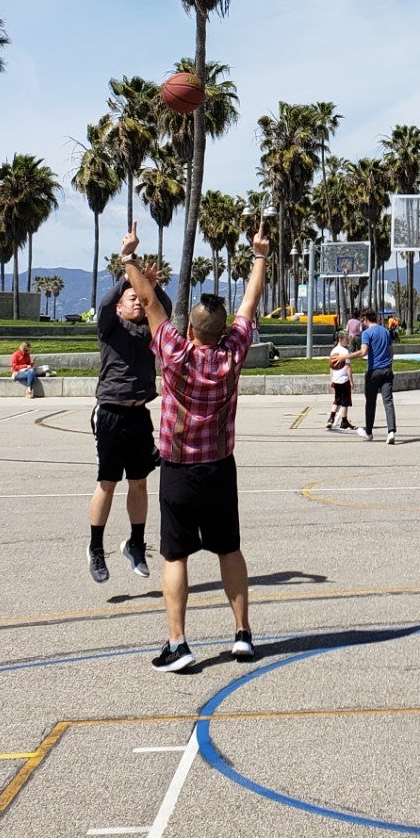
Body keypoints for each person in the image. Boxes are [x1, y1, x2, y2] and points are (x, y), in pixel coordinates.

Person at [121, 219, 267, 673]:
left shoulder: (175, 353)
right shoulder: (232, 354)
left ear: (191, 329)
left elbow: (146, 301)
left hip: (180, 469)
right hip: (220, 467)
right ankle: (242, 634)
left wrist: (129, 258)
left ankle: (179, 643)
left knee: (174, 554)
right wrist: (259, 254)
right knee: (229, 549)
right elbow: (249, 301)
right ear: (223, 332)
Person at [87, 257, 169, 584]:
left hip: (138, 413)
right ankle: (95, 548)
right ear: (120, 307)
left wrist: (149, 282)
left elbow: (162, 304)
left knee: (139, 482)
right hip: (110, 411)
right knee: (108, 482)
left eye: (139, 297)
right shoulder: (111, 325)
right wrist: (127, 273)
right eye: (131, 298)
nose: (137, 300)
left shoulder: (150, 330)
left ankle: (135, 543)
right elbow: (106, 302)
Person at [355, 311, 398, 443]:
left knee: (370, 402)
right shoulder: (385, 331)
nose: (362, 323)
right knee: (388, 401)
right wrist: (388, 365)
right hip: (387, 370)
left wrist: (346, 356)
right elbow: (391, 352)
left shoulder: (367, 333)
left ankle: (369, 432)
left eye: (363, 320)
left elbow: (363, 352)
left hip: (373, 372)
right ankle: (391, 432)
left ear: (366, 319)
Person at [327, 333, 354, 430]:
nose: (347, 341)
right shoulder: (344, 351)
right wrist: (351, 381)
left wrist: (331, 379)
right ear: (340, 339)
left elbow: (331, 367)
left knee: (337, 399)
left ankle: (331, 418)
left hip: (336, 379)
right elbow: (347, 367)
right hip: (344, 379)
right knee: (345, 401)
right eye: (346, 339)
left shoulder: (333, 351)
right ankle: (344, 420)